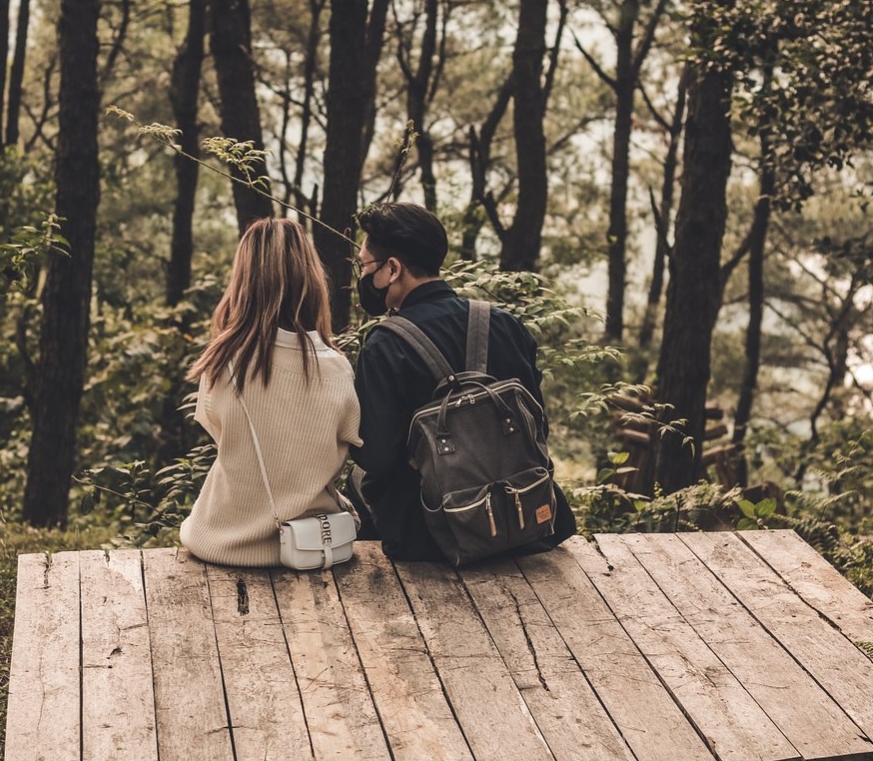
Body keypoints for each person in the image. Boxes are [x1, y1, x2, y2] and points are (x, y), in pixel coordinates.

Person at [351, 202, 576, 562]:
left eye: (365, 266)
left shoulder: (386, 344)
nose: (363, 276)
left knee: (360, 476)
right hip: (525, 521)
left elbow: (377, 456)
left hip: (431, 538)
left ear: (392, 268)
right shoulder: (504, 324)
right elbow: (538, 427)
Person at [180, 218, 361, 567]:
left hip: (220, 542)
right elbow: (347, 442)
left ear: (243, 280)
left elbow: (222, 436)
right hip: (314, 543)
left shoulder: (223, 363)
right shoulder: (337, 368)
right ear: (310, 279)